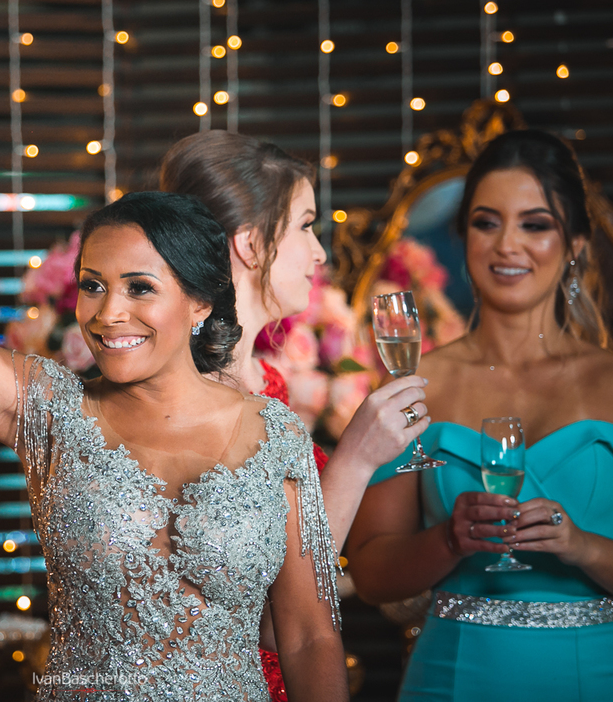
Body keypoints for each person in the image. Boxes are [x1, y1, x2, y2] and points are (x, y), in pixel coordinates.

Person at [0, 34, 349, 700]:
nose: (109, 314)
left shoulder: (277, 435)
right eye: (93, 285)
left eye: (140, 288)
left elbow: (309, 636)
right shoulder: (52, 411)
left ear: (201, 302)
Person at [346, 129, 613, 702]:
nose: (507, 244)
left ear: (575, 243)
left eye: (535, 225)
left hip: (600, 680)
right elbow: (373, 573)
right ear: (463, 236)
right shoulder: (418, 386)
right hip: (452, 679)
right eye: (487, 222)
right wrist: (449, 539)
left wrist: (582, 547)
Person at [160, 131, 431, 700]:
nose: (320, 253)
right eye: (306, 226)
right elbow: (261, 615)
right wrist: (355, 459)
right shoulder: (186, 396)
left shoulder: (271, 384)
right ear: (252, 245)